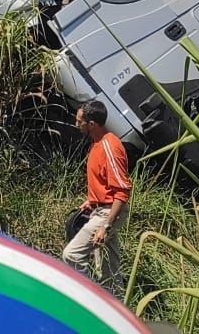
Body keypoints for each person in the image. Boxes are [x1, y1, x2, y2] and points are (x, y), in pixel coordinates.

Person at [61, 100, 133, 289]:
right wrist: (91, 202)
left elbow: (122, 190)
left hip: (108, 213)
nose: (77, 125)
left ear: (91, 124)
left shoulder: (110, 147)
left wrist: (106, 225)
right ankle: (115, 306)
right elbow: (105, 184)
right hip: (100, 209)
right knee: (109, 271)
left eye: (79, 122)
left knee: (72, 255)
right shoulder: (96, 144)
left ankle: (93, 301)